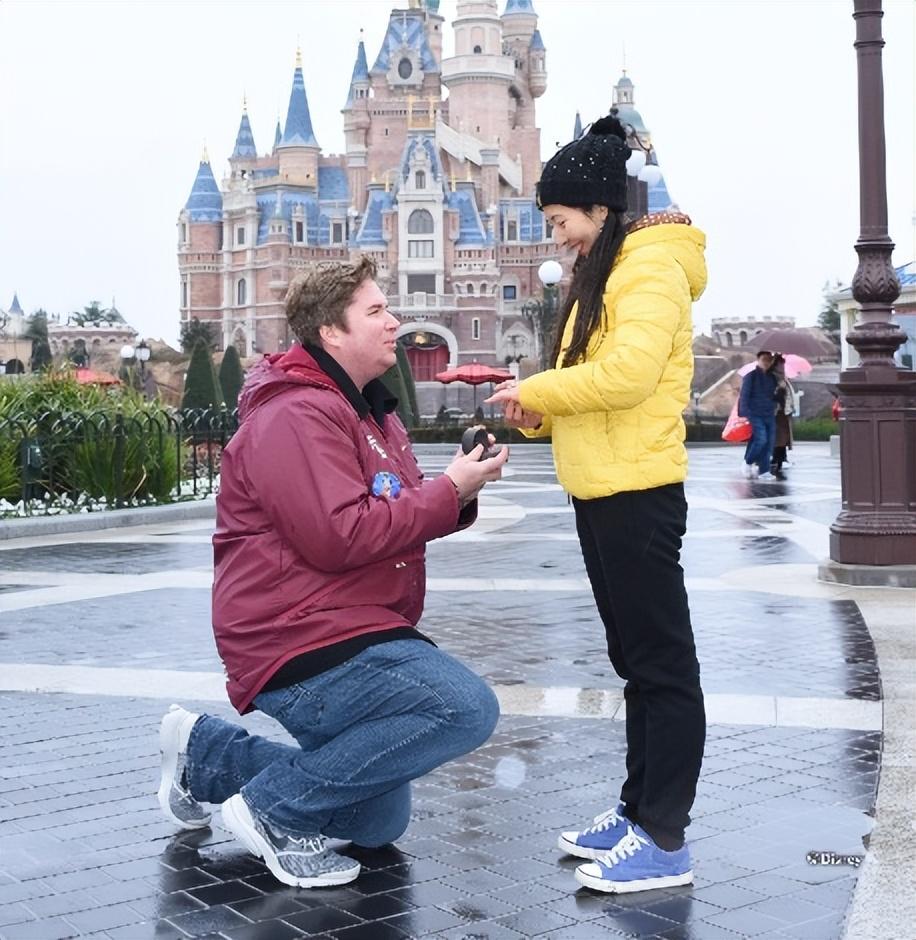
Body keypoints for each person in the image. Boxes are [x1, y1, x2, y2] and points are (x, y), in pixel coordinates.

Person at [157, 258, 507, 888]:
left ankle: (208, 755)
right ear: (331, 333)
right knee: (463, 708)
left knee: (375, 820)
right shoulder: (294, 415)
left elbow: (390, 510)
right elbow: (339, 534)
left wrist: (459, 490)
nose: (395, 322)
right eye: (376, 312)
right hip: (295, 632)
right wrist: (447, 491)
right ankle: (271, 813)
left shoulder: (372, 412)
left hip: (348, 623)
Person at [486, 115, 706, 894]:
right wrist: (537, 409)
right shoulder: (606, 273)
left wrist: (539, 388)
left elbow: (628, 378)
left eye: (561, 223)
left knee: (662, 666)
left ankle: (666, 840)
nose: (558, 239)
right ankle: (638, 812)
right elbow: (592, 383)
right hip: (601, 487)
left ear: (600, 210)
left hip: (638, 491)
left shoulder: (647, 272)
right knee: (635, 663)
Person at [738, 349, 778, 480]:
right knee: (761, 439)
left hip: (769, 413)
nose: (766, 362)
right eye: (763, 359)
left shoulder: (772, 378)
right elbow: (744, 395)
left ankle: (764, 470)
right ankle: (748, 462)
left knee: (769, 442)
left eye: (769, 360)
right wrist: (744, 412)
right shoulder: (751, 376)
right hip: (754, 413)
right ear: (758, 360)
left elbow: (774, 396)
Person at [769, 353, 795, 477]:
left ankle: (780, 458)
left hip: (784, 412)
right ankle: (775, 459)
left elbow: (789, 395)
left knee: (783, 438)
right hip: (775, 412)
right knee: (778, 437)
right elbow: (771, 394)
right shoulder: (771, 378)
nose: (782, 367)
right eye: (780, 365)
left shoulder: (783, 378)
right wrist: (779, 389)